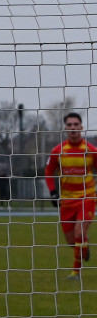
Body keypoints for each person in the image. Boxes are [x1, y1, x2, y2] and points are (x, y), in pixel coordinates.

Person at [44, 112, 97, 280]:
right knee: (70, 240)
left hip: (87, 197)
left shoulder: (91, 150)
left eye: (76, 124)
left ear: (81, 127)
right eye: (69, 125)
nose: (73, 128)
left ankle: (76, 273)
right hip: (66, 199)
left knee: (79, 231)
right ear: (65, 128)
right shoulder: (58, 151)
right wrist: (53, 192)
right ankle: (84, 248)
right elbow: (48, 171)